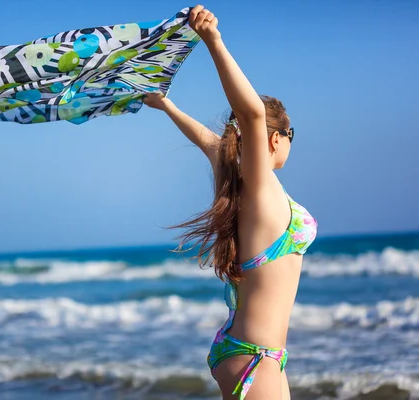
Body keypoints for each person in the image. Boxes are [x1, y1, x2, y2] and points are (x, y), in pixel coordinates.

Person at [144, 5, 317, 400]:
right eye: (291, 134)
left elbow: (208, 140)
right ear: (277, 138)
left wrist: (167, 105)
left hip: (256, 354)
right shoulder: (258, 185)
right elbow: (252, 114)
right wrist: (213, 41)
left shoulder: (240, 184)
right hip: (254, 357)